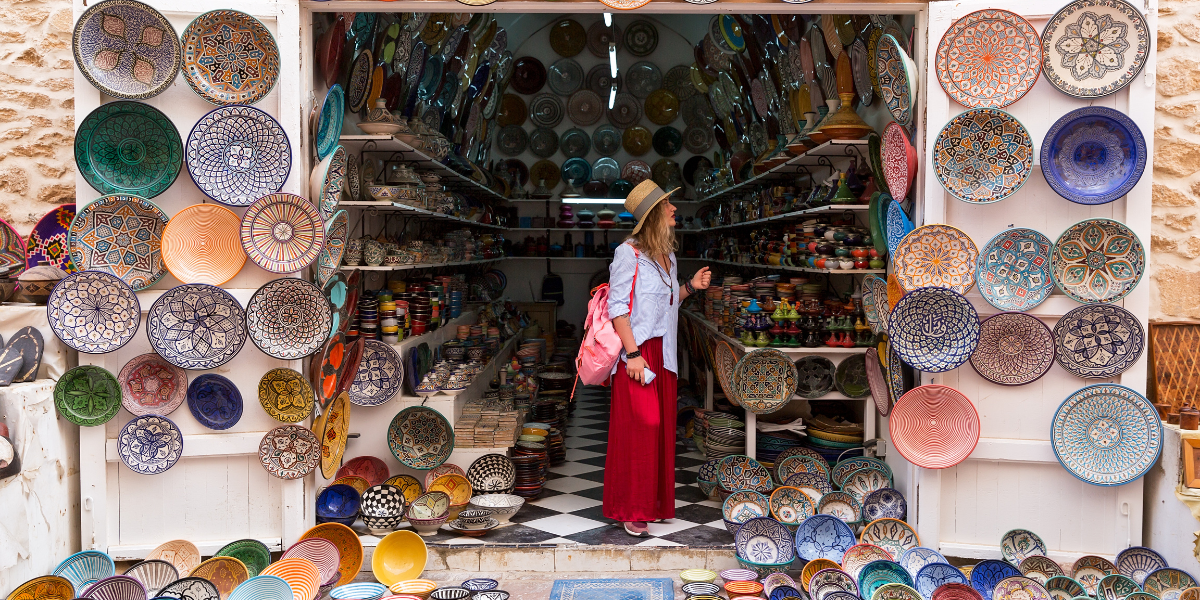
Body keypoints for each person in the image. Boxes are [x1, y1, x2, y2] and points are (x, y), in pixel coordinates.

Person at [603, 180, 712, 537]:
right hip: (639, 353)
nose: (674, 209)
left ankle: (656, 506)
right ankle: (631, 508)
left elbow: (667, 302)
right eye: (668, 205)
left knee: (662, 430)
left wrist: (690, 286)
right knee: (641, 428)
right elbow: (617, 309)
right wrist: (632, 354)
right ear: (653, 215)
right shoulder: (628, 254)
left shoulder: (668, 256)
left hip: (663, 355)